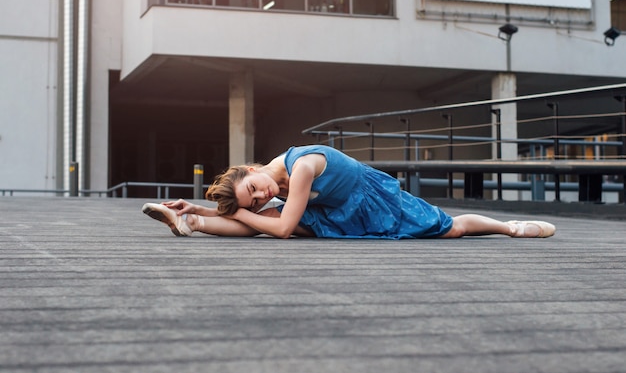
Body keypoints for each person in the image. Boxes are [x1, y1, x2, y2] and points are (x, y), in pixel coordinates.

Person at [142, 144, 556, 239]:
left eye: (255, 188)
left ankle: (508, 227)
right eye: (256, 197)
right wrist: (201, 206)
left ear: (251, 168)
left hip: (373, 200)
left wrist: (237, 213)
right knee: (263, 222)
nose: (264, 194)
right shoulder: (273, 188)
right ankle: (190, 221)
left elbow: (285, 228)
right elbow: (274, 218)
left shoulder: (300, 169)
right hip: (339, 212)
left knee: (451, 229)